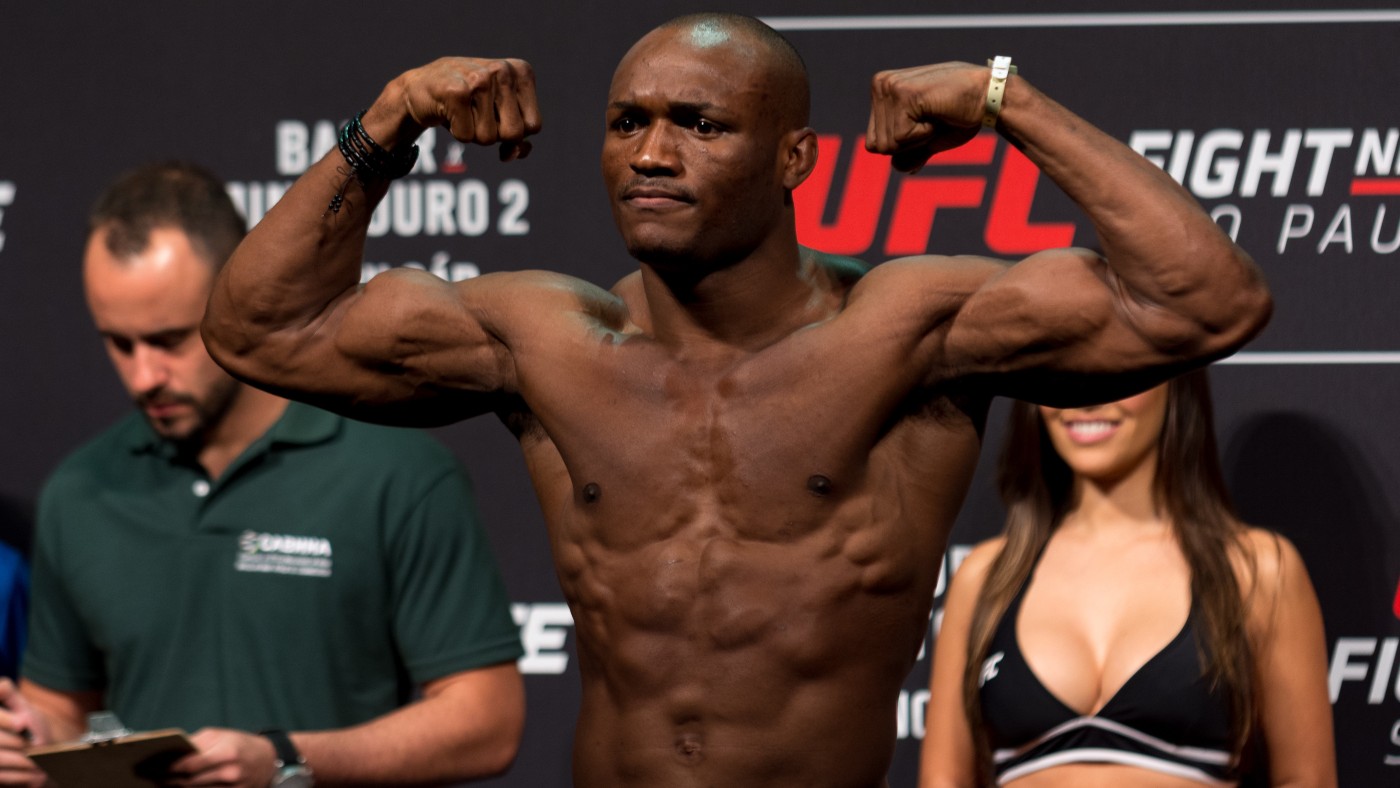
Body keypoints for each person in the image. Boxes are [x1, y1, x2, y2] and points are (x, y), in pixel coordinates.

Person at [198, 12, 1272, 787]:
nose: (652, 154)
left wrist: (1005, 99)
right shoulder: (546, 340)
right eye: (627, 122)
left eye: (700, 125)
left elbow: (1205, 301)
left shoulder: (905, 334)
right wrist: (391, 117)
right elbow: (259, 329)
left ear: (793, 158)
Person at [0, 162, 525, 788]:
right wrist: (35, 739)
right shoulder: (81, 491)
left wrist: (283, 758)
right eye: (120, 343)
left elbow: (487, 721)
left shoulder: (398, 473)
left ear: (237, 298)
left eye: (170, 340)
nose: (144, 377)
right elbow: (63, 709)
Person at [918, 371, 1336, 787]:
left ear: (1175, 376)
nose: (1086, 400)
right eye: (1064, 367)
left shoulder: (1257, 571)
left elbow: (1306, 780)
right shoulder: (984, 579)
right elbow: (943, 780)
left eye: (1116, 371)